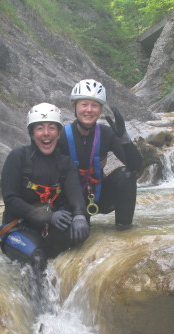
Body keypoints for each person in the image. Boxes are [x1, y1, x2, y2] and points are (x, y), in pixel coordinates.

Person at [0, 102, 90, 271]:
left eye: (52, 128)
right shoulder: (18, 157)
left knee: (82, 227)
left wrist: (80, 215)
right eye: (40, 128)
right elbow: (10, 199)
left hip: (49, 230)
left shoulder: (65, 163)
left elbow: (75, 194)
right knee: (37, 259)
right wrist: (48, 217)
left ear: (59, 133)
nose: (46, 133)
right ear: (32, 133)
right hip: (20, 228)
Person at [57, 79, 143, 230]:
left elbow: (136, 166)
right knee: (80, 234)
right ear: (74, 107)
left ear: (100, 110)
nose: (89, 110)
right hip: (72, 199)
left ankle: (124, 229)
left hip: (99, 196)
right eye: (84, 104)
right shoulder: (62, 136)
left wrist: (124, 138)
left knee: (126, 175)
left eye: (94, 105)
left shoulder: (106, 133)